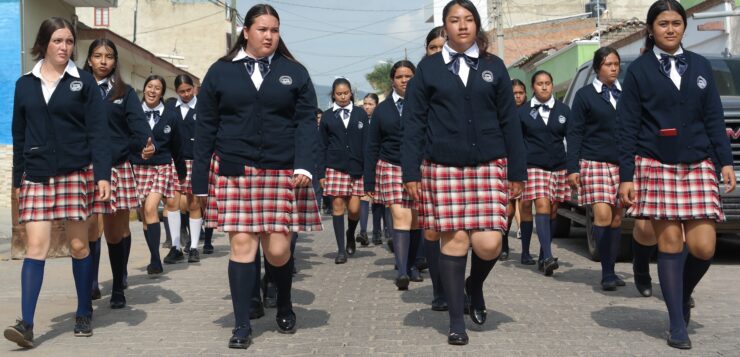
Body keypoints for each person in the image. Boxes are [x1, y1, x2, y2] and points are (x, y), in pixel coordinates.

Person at [193, 3, 322, 349]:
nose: (269, 35)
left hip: (281, 170)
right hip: (234, 168)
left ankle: (283, 301)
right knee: (242, 245)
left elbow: (305, 123)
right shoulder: (220, 72)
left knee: (278, 250)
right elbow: (205, 127)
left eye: (274, 30)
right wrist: (200, 180)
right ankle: (241, 325)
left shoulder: (294, 73)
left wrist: (304, 165)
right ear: (246, 32)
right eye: (262, 29)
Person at [402, 0, 526, 345]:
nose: (462, 25)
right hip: (442, 166)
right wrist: (410, 172)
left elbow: (509, 121)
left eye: (468, 19)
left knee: (489, 244)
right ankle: (456, 320)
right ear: (445, 27)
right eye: (454, 20)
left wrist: (518, 169)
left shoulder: (493, 66)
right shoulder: (428, 69)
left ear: (477, 25)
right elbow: (413, 123)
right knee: (454, 241)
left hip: (489, 164)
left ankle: (475, 285)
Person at [617, 0, 735, 349]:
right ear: (651, 29)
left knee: (703, 246)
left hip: (699, 163)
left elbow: (714, 117)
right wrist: (627, 175)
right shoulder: (639, 70)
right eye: (663, 23)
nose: (670, 29)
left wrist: (724, 161)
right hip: (655, 164)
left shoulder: (700, 65)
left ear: (684, 27)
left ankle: (681, 292)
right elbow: (627, 126)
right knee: (670, 243)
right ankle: (675, 322)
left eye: (676, 22)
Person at [5, 17, 111, 347]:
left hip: (75, 173)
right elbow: (19, 134)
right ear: (44, 43)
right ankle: (26, 324)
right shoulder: (25, 84)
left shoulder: (83, 83)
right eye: (57, 41)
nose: (64, 47)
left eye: (68, 41)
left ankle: (83, 311)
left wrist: (103, 174)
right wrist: (17, 181)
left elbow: (98, 131)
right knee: (35, 247)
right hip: (36, 174)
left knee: (79, 246)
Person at [84, 38, 155, 309]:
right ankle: (89, 283)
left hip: (118, 166)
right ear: (89, 59)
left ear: (115, 61)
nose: (103, 61)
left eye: (109, 56)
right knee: (89, 229)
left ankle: (117, 286)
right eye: (98, 55)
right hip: (85, 167)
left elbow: (137, 124)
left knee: (116, 232)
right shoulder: (77, 86)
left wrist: (146, 144)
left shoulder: (123, 92)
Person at [567, 47, 625, 290]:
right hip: (594, 162)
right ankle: (607, 272)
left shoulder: (627, 94)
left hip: (623, 163)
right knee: (602, 216)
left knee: (617, 218)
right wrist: (573, 167)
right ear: (597, 67)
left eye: (616, 64)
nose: (613, 68)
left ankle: (612, 266)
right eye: (608, 64)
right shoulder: (584, 95)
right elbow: (575, 132)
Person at [365, 60, 423, 289]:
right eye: (400, 76)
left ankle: (413, 264)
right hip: (390, 165)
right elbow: (372, 145)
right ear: (392, 80)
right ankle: (402, 270)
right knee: (401, 217)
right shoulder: (382, 110)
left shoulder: (423, 106)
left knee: (416, 219)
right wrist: (368, 179)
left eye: (409, 75)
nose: (404, 80)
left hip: (418, 168)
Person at [518, 70, 571, 275]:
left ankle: (542, 255)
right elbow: (515, 141)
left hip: (559, 165)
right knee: (542, 204)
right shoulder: (522, 112)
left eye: (547, 83)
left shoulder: (564, 110)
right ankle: (549, 256)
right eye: (539, 83)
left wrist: (573, 167)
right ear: (533, 87)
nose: (544, 86)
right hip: (533, 165)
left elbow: (572, 138)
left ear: (552, 85)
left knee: (553, 209)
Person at [132, 75, 185, 275]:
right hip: (138, 167)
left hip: (163, 166)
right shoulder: (133, 113)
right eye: (149, 86)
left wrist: (181, 173)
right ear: (144, 89)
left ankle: (156, 261)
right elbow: (126, 138)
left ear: (162, 93)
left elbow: (178, 146)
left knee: (151, 207)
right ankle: (153, 254)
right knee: (145, 215)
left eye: (157, 88)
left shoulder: (171, 115)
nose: (153, 91)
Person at [318, 78, 369, 264]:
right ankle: (341, 250)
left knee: (355, 209)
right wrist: (321, 173)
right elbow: (321, 146)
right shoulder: (327, 116)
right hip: (334, 167)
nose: (342, 96)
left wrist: (368, 170)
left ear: (351, 93)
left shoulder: (360, 114)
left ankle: (351, 233)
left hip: (357, 168)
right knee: (338, 207)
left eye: (345, 93)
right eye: (338, 93)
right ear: (333, 94)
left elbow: (367, 143)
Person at [417, 25, 449, 312]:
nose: (438, 52)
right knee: (431, 230)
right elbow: (411, 127)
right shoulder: (421, 78)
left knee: (462, 234)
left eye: (443, 47)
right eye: (433, 48)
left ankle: (462, 287)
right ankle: (439, 289)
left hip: (457, 164)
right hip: (427, 163)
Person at [168, 74, 204, 262]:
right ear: (176, 92)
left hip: (195, 160)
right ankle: (175, 247)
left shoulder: (203, 107)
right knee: (172, 203)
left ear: (194, 88)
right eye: (182, 91)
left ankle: (194, 247)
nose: (186, 94)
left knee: (193, 203)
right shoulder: (170, 108)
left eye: (189, 90)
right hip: (174, 162)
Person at [501, 78, 529, 261]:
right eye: (514, 94)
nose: (517, 97)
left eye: (520, 93)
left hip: (529, 162)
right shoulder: (503, 113)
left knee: (526, 205)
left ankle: (526, 251)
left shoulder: (529, 112)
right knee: (509, 209)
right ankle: (503, 242)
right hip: (508, 163)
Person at [357, 93, 379, 246]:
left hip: (381, 162)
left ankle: (379, 231)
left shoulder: (380, 119)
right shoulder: (360, 121)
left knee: (380, 201)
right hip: (364, 163)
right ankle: (363, 231)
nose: (367, 106)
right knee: (364, 196)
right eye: (365, 103)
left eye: (370, 104)